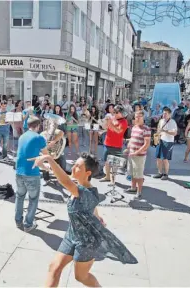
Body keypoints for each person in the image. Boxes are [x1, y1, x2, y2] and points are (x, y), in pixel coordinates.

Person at [34, 152, 137, 287]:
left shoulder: (83, 192)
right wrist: (97, 216)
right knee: (54, 268)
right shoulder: (83, 189)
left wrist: (49, 159)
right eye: (74, 164)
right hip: (71, 235)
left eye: (78, 166)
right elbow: (91, 206)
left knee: (81, 277)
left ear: (87, 173)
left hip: (86, 242)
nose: (73, 167)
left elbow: (65, 181)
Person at [15, 116, 48, 232]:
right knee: (33, 199)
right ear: (38, 126)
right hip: (32, 173)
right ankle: (28, 224)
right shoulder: (39, 137)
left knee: (20, 196)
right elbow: (46, 156)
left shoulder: (22, 136)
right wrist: (46, 167)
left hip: (19, 171)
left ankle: (18, 220)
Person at [124, 111, 151, 199]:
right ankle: (133, 187)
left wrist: (136, 152)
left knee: (139, 174)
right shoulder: (134, 127)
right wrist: (128, 148)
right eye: (136, 117)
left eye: (139, 116)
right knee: (132, 173)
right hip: (131, 154)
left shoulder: (146, 129)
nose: (137, 118)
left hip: (139, 156)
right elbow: (132, 139)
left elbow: (146, 144)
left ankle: (139, 192)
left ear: (143, 117)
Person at [100, 105, 128, 183]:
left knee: (115, 163)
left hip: (116, 145)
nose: (114, 113)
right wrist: (104, 122)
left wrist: (110, 124)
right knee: (106, 161)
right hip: (107, 143)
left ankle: (113, 179)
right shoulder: (112, 118)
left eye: (116, 112)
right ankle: (107, 177)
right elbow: (106, 127)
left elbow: (118, 131)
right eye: (114, 112)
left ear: (121, 113)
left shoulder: (124, 122)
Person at [153, 107, 178, 180]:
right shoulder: (161, 120)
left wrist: (165, 131)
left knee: (165, 159)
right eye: (163, 113)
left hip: (168, 141)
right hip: (160, 140)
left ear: (170, 114)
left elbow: (175, 133)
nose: (164, 115)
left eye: (165, 114)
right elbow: (158, 129)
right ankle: (160, 172)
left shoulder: (172, 122)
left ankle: (166, 174)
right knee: (158, 158)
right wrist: (157, 135)